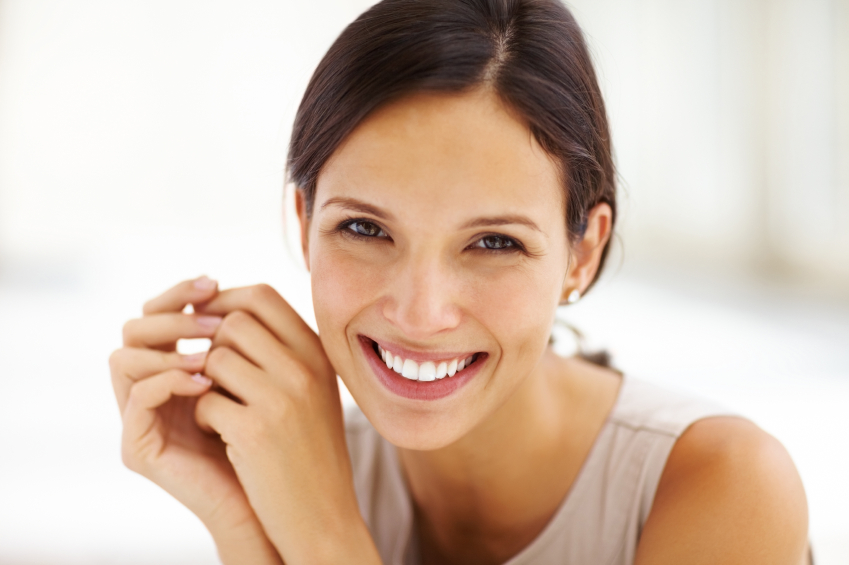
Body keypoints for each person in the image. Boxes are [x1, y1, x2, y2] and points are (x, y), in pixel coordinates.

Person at [109, 0, 811, 563]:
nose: (420, 311)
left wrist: (322, 534)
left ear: (581, 253)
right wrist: (239, 518)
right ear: (303, 221)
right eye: (364, 229)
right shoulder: (297, 460)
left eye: (494, 242)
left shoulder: (724, 484)